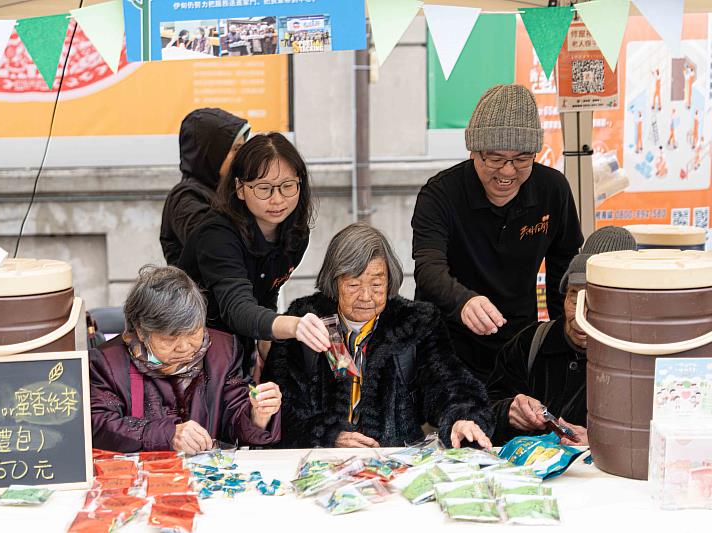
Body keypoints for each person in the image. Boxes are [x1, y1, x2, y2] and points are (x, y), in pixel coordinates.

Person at [262, 224, 494, 449]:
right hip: (321, 460)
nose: (366, 296)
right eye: (353, 284)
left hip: (394, 460)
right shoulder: (305, 321)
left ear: (389, 280)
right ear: (334, 282)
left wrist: (463, 418)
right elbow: (280, 405)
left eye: (376, 284)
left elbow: (450, 384)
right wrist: (328, 435)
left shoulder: (415, 322)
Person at [412, 84, 583, 382]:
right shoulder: (440, 194)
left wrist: (559, 335)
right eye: (495, 159)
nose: (507, 172)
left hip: (518, 342)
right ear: (474, 152)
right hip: (447, 342)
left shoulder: (552, 190)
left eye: (521, 159)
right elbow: (428, 267)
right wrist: (463, 301)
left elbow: (564, 266)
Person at [179, 133, 330, 380]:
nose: (278, 199)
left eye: (287, 186)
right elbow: (237, 308)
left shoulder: (296, 234)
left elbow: (269, 290)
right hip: (191, 353)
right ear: (240, 188)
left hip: (239, 352)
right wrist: (292, 325)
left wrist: (264, 342)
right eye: (264, 188)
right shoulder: (217, 235)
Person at [90, 266, 282, 453]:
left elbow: (235, 416)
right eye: (169, 338)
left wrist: (258, 414)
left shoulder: (223, 351)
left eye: (193, 333)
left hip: (209, 476)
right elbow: (99, 425)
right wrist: (167, 434)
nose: (184, 347)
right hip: (140, 478)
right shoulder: (107, 362)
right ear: (141, 331)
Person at [486, 226, 637, 446]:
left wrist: (603, 442)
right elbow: (480, 409)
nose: (579, 317)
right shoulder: (531, 344)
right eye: (574, 298)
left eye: (597, 304)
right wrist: (507, 411)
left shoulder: (642, 357)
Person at [160, 108, 250, 266]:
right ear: (213, 153)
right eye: (235, 149)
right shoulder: (187, 197)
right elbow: (216, 249)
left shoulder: (224, 191)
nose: (242, 157)